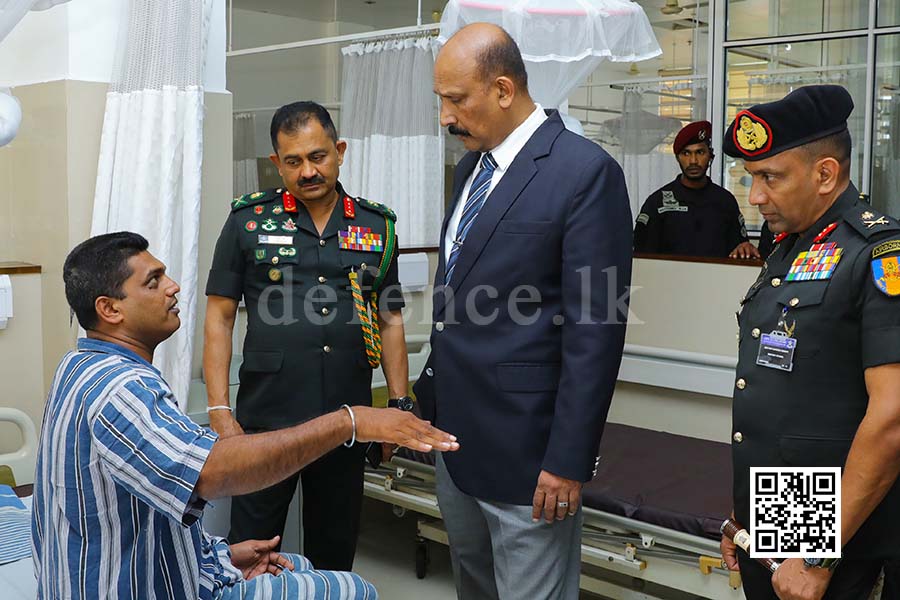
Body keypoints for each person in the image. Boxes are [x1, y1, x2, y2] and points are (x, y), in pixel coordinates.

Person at [32, 232, 458, 599]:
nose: (174, 287)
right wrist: (351, 421)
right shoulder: (121, 389)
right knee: (356, 589)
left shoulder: (80, 366)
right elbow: (213, 473)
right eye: (154, 281)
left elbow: (138, 504)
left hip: (144, 572)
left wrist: (218, 557)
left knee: (297, 564)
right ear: (110, 309)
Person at [413, 23, 632, 599]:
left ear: (504, 89)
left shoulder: (583, 172)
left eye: (456, 100)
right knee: (475, 588)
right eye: (442, 100)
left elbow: (597, 329)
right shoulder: (471, 169)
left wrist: (568, 459)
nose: (446, 117)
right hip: (456, 442)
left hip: (530, 457)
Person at [204, 102, 412, 570]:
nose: (308, 171)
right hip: (267, 419)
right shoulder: (248, 223)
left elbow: (390, 319)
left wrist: (398, 406)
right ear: (276, 163)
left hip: (346, 418)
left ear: (339, 152)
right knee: (253, 554)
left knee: (334, 551)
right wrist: (220, 411)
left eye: (318, 156)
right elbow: (219, 317)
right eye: (293, 161)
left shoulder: (377, 227)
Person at [718, 85, 900, 600]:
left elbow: (892, 418)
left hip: (841, 531)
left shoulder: (878, 253)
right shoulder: (792, 248)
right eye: (752, 178)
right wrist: (745, 516)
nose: (754, 197)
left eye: (769, 178)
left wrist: (817, 553)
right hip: (781, 513)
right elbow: (789, 400)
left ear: (825, 174)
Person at [633, 120, 761, 260]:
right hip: (668, 280)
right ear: (677, 158)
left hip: (716, 279)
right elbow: (642, 258)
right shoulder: (657, 203)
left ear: (710, 156)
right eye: (686, 153)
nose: (693, 161)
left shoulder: (725, 201)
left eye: (700, 152)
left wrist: (745, 248)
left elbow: (739, 250)